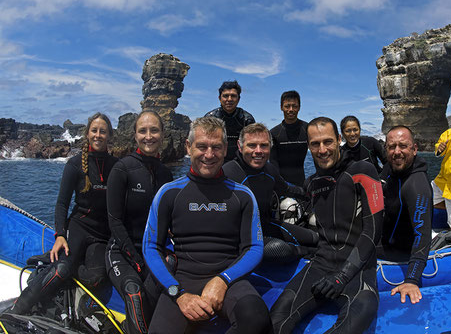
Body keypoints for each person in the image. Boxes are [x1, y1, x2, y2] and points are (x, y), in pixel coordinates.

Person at [142, 116, 270, 334]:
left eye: (216, 147)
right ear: (188, 147)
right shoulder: (169, 193)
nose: (209, 155)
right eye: (202, 146)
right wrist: (178, 294)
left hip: (231, 280)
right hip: (182, 281)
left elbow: (254, 248)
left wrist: (222, 281)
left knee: (256, 317)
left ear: (226, 149)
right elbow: (150, 247)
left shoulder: (242, 195)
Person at [270, 117, 384, 334]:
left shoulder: (363, 171)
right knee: (276, 319)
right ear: (308, 146)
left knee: (354, 321)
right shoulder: (312, 183)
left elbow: (373, 232)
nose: (322, 149)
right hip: (320, 266)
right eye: (315, 144)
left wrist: (342, 276)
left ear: (339, 140)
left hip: (358, 271)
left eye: (328, 142)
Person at [12, 113, 119, 314]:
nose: (98, 135)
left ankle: (69, 266)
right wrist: (60, 234)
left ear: (109, 135)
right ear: (87, 134)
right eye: (94, 130)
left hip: (101, 235)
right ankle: (17, 309)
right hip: (79, 226)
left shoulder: (117, 167)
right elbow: (62, 203)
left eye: (102, 131)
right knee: (60, 271)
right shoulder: (74, 164)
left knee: (96, 278)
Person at [105, 111, 173, 334]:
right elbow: (114, 220)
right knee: (135, 292)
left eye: (154, 130)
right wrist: (136, 260)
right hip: (121, 251)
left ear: (162, 135)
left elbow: (171, 220)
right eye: (142, 131)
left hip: (153, 251)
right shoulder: (122, 169)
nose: (148, 136)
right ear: (134, 135)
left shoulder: (166, 174)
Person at [223, 123, 318, 262]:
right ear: (240, 146)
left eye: (264, 145)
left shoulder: (269, 169)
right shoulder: (228, 174)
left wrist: (313, 191)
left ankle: (318, 253)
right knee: (279, 249)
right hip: (238, 238)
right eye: (252, 145)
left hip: (265, 225)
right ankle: (311, 253)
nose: (258, 151)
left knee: (314, 238)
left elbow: (287, 189)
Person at [379, 125, 433, 304]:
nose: (397, 152)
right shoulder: (390, 169)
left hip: (398, 251)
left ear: (415, 149)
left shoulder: (416, 185)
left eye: (403, 146)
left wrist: (411, 280)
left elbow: (422, 234)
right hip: (382, 239)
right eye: (391, 146)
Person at [205, 80, 255, 162]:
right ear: (219, 98)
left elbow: (252, 146)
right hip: (215, 160)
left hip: (239, 162)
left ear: (238, 99)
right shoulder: (210, 118)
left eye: (233, 96)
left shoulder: (247, 119)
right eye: (225, 96)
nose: (229, 99)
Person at [269, 91, 309, 186]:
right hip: (281, 183)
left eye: (294, 106)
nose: (291, 109)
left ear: (299, 107)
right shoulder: (274, 133)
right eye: (287, 106)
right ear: (281, 107)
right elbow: (273, 163)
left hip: (302, 182)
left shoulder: (307, 129)